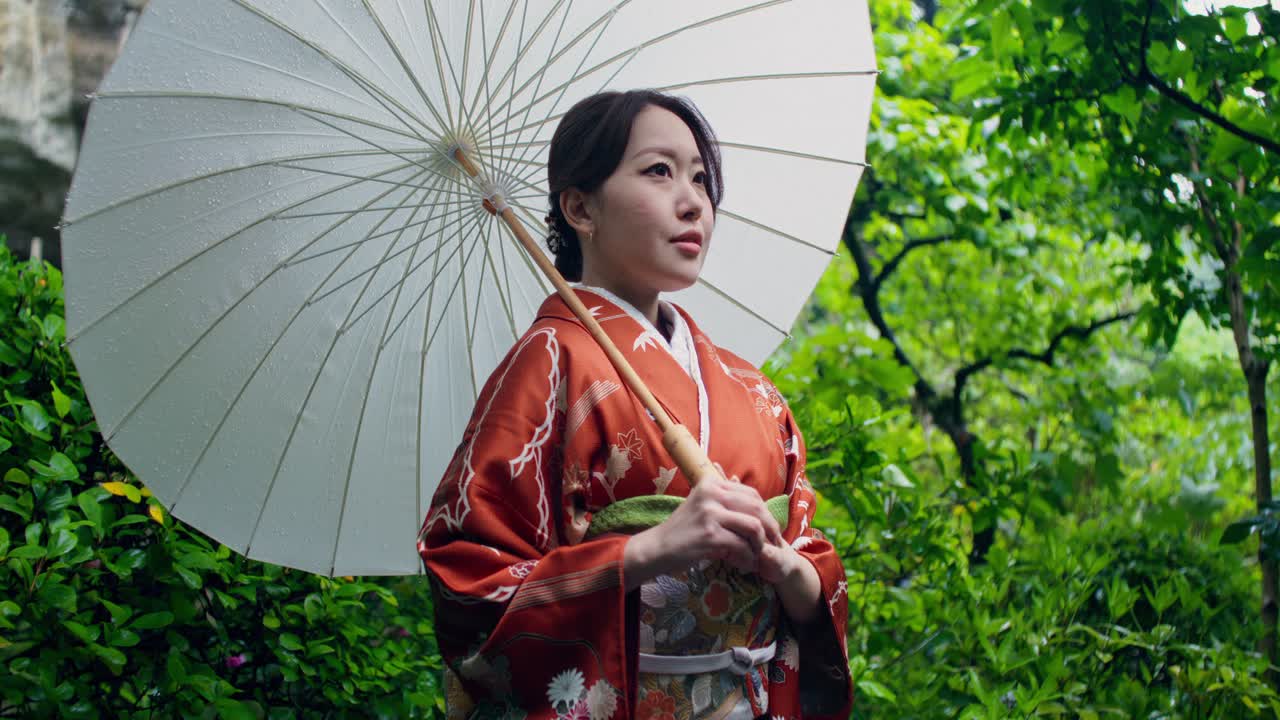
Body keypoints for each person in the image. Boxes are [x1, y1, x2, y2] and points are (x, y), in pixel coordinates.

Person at [418, 90, 851, 720]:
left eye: (700, 178)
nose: (693, 201)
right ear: (580, 208)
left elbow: (811, 556)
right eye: (659, 171)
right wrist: (651, 550)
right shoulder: (548, 363)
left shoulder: (751, 388)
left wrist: (785, 567)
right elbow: (471, 581)